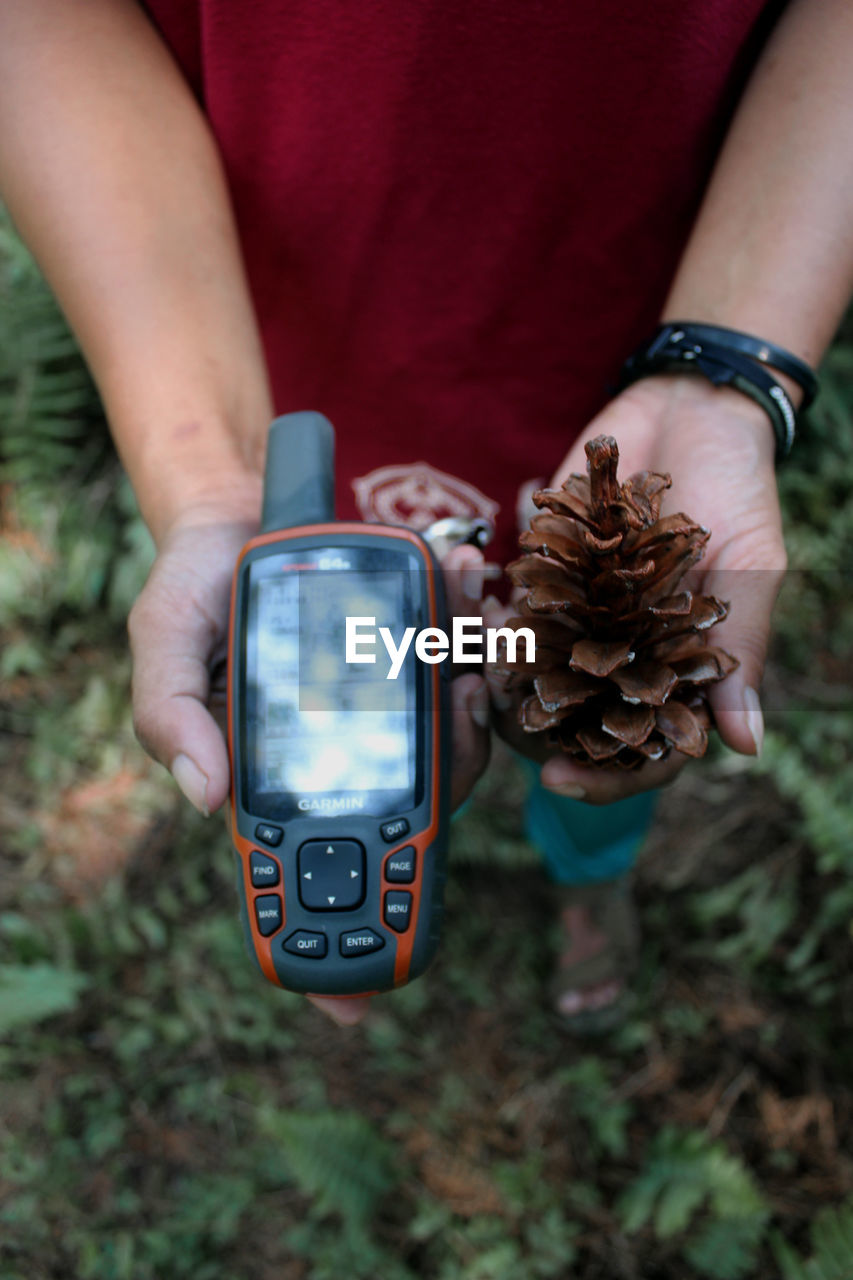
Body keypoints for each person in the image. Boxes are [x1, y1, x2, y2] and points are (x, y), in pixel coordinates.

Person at [1, 0, 851, 1029]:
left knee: (597, 733)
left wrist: (722, 368)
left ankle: (587, 871)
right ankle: (535, 856)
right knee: (417, 678)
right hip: (283, 368)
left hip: (634, 347)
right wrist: (209, 475)